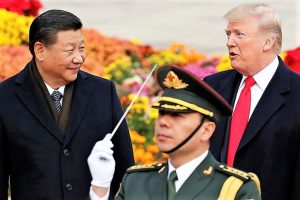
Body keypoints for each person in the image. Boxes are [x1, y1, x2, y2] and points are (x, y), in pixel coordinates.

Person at [0, 9, 134, 200]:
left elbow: (126, 169)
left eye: (81, 48)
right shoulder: (6, 98)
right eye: (70, 50)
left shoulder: (103, 92)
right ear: (40, 50)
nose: (79, 58)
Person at [88, 65, 261, 200]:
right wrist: (100, 189)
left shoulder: (234, 188)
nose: (163, 122)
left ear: (206, 130)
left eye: (177, 115)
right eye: (162, 113)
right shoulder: (135, 180)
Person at [203, 3, 300, 200]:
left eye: (239, 34)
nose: (230, 42)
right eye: (228, 34)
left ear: (268, 42)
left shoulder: (297, 93)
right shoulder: (212, 86)